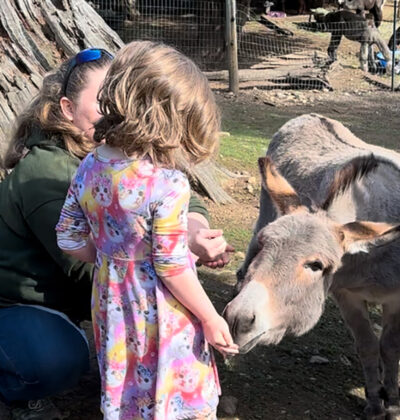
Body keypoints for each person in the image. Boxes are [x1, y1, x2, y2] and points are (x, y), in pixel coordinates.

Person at [0, 47, 232, 419]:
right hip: (27, 304)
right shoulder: (47, 174)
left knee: (128, 381)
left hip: (112, 300)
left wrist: (132, 252)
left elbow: (70, 237)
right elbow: (168, 265)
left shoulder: (93, 162)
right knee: (168, 384)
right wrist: (208, 314)